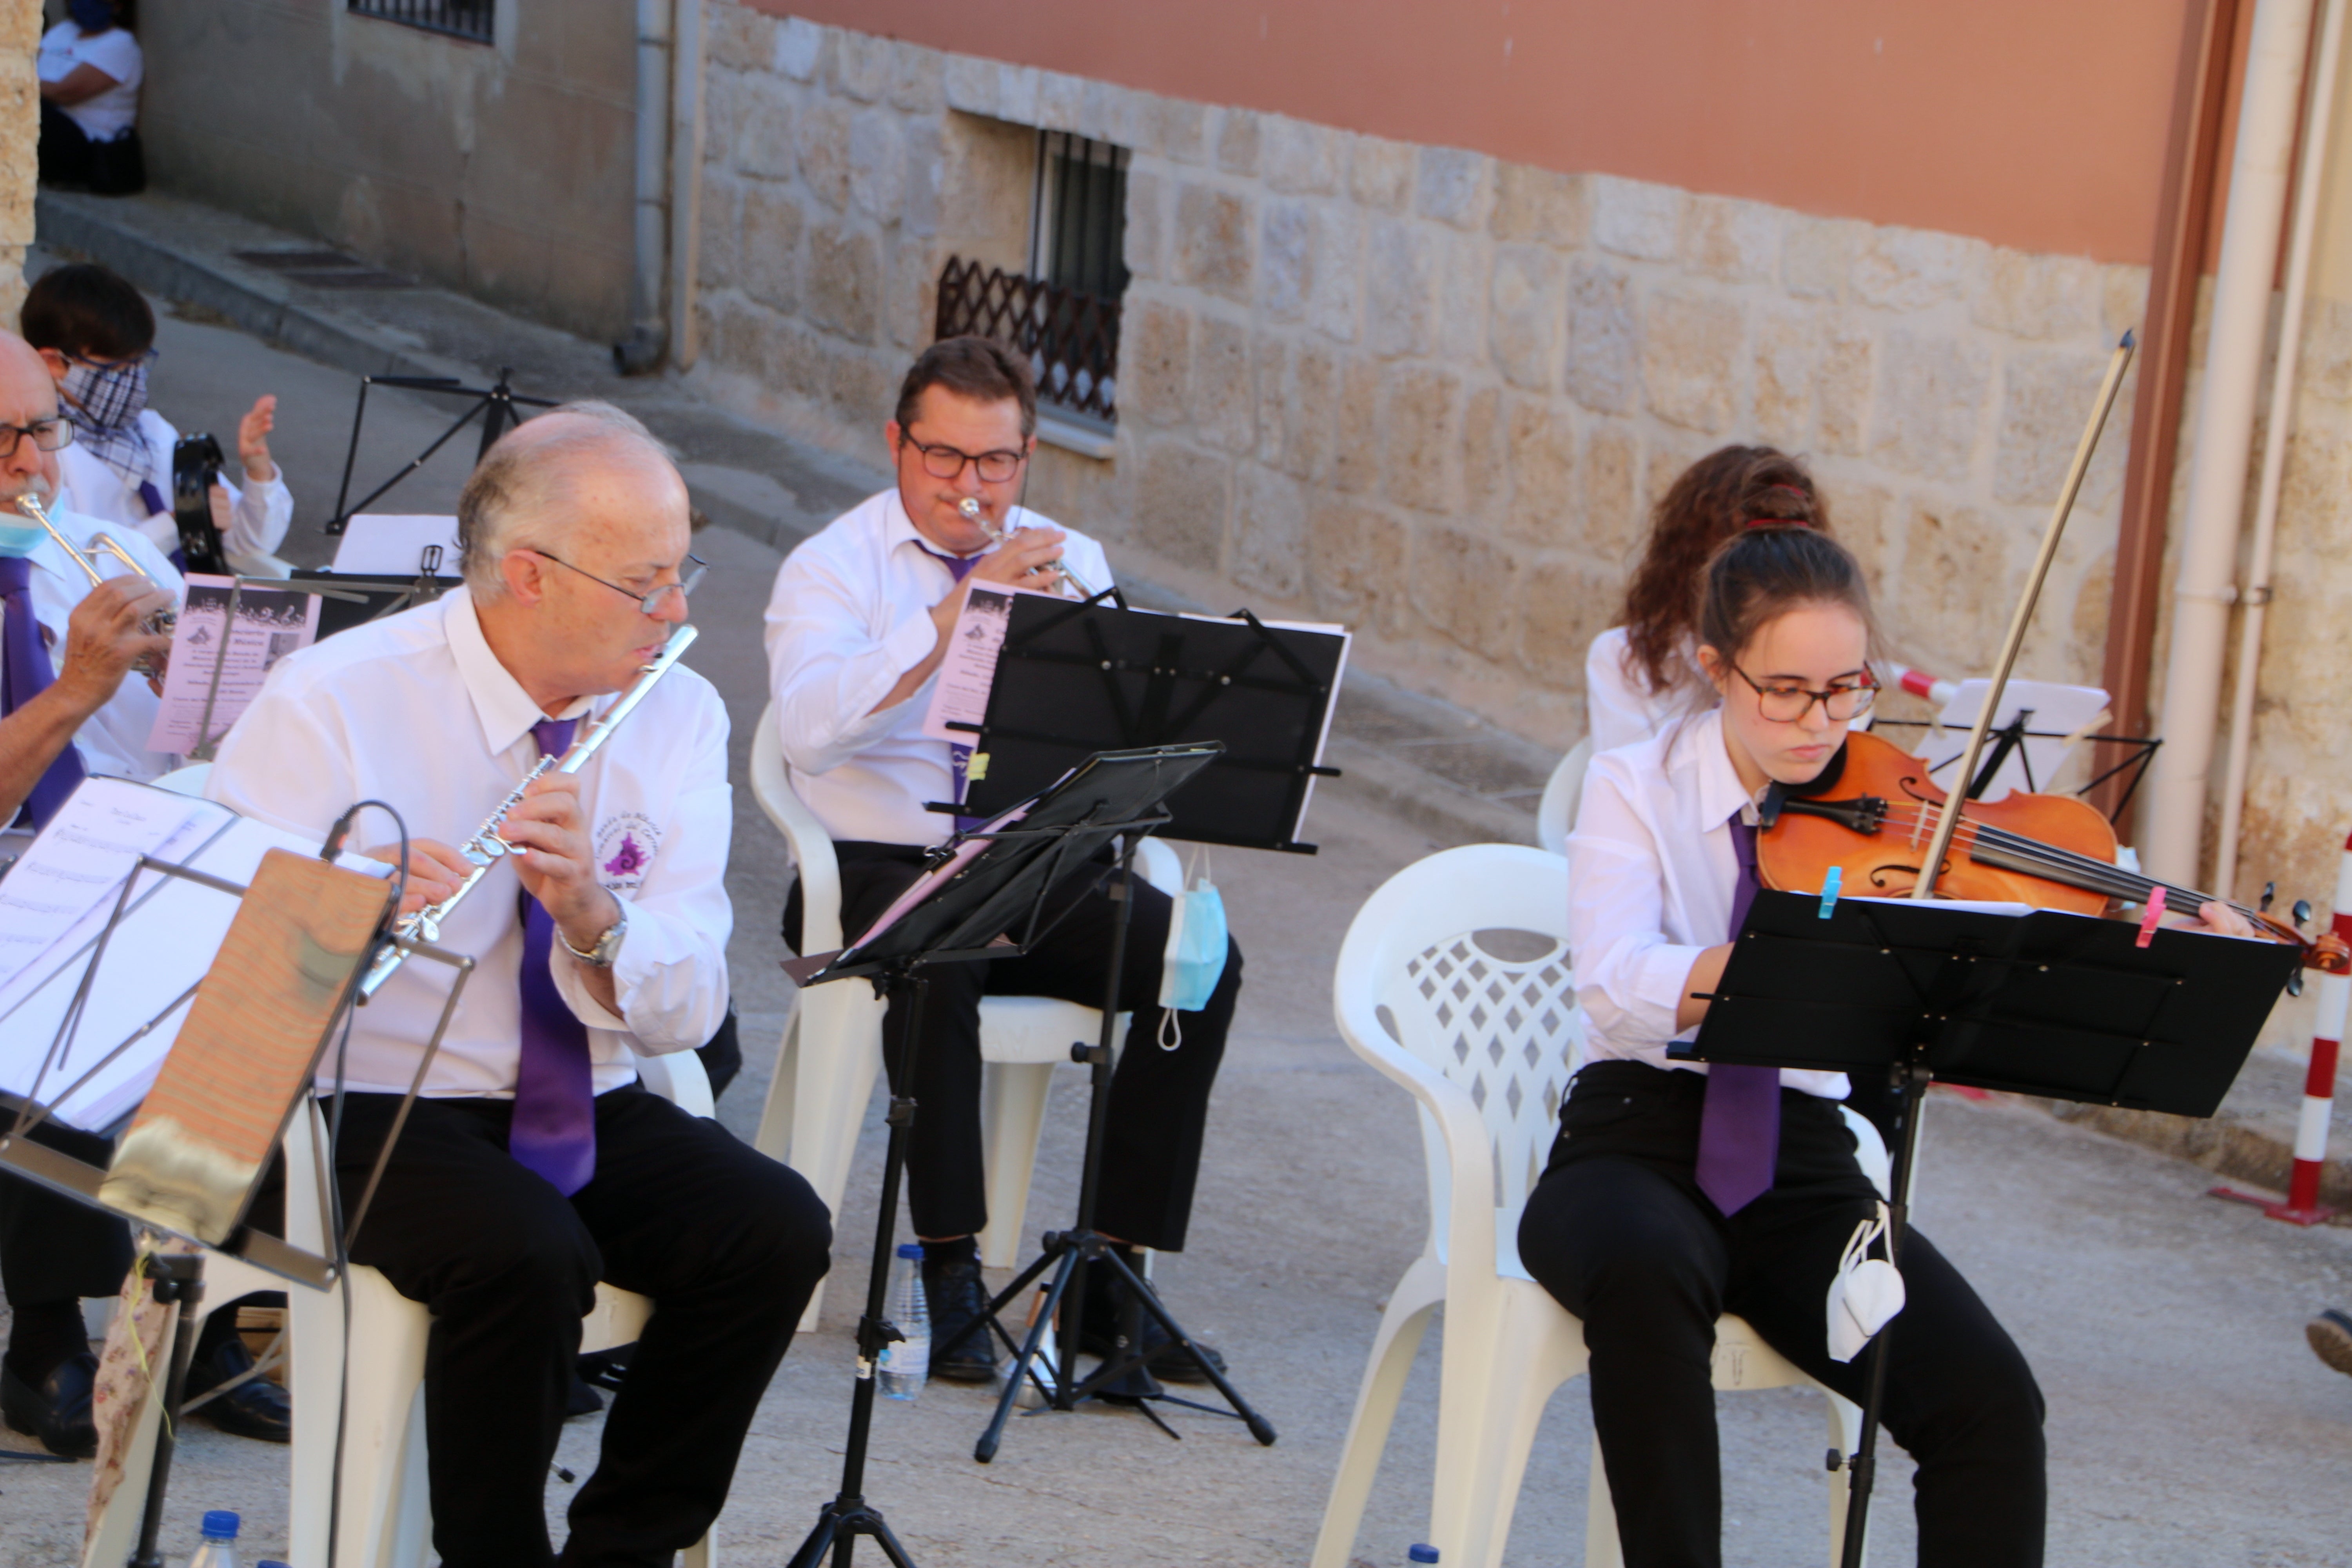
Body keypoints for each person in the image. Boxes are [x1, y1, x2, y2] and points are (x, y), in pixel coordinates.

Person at [1519, 524, 2253, 1566]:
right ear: (1719, 669)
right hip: (1633, 1141)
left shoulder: (1890, 807)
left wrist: (2176, 930)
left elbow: (2043, 913)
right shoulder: (1636, 783)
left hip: (1804, 1165)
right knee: (1646, 1272)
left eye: (1845, 690)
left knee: (1989, 1399)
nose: (1822, 723)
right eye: (1786, 691)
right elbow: (1612, 981)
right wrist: (1783, 962)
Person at [209, 401, 830, 1568]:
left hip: (581, 1096)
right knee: (526, 1252)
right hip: (360, 1100)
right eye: (645, 582)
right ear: (530, 575)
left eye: (681, 569)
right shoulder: (334, 697)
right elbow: (213, 980)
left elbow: (690, 1006)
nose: (678, 609)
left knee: (773, 1227)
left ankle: (622, 1552)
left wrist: (596, 918)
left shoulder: (678, 710)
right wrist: (342, 909)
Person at [766, 335, 1241, 1386]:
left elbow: (1118, 739)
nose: (970, 486)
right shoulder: (831, 568)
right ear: (898, 444)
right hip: (873, 864)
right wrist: (951, 621)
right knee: (943, 955)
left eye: (996, 462)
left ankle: (1110, 1275)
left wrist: (1087, 656)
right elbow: (807, 735)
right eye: (944, 457)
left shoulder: (1071, 557)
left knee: (1195, 963)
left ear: (1026, 457)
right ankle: (950, 1269)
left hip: (1024, 857)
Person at [22, 263, 293, 574]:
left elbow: (252, 544)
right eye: (116, 370)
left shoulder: (153, 432)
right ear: (54, 363)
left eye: (139, 364)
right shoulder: (45, 453)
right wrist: (177, 526)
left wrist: (259, 474)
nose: (134, 381)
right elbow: (75, 566)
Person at [1586, 445, 1830, 754]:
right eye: (1743, 560)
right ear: (1696, 561)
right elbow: (1628, 777)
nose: (1769, 579)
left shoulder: (1833, 670)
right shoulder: (1624, 658)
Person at [36, 0, 145, 197]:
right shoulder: (63, 31)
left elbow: (63, 94)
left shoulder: (120, 44)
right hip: (49, 129)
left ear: (118, 5)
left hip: (90, 148)